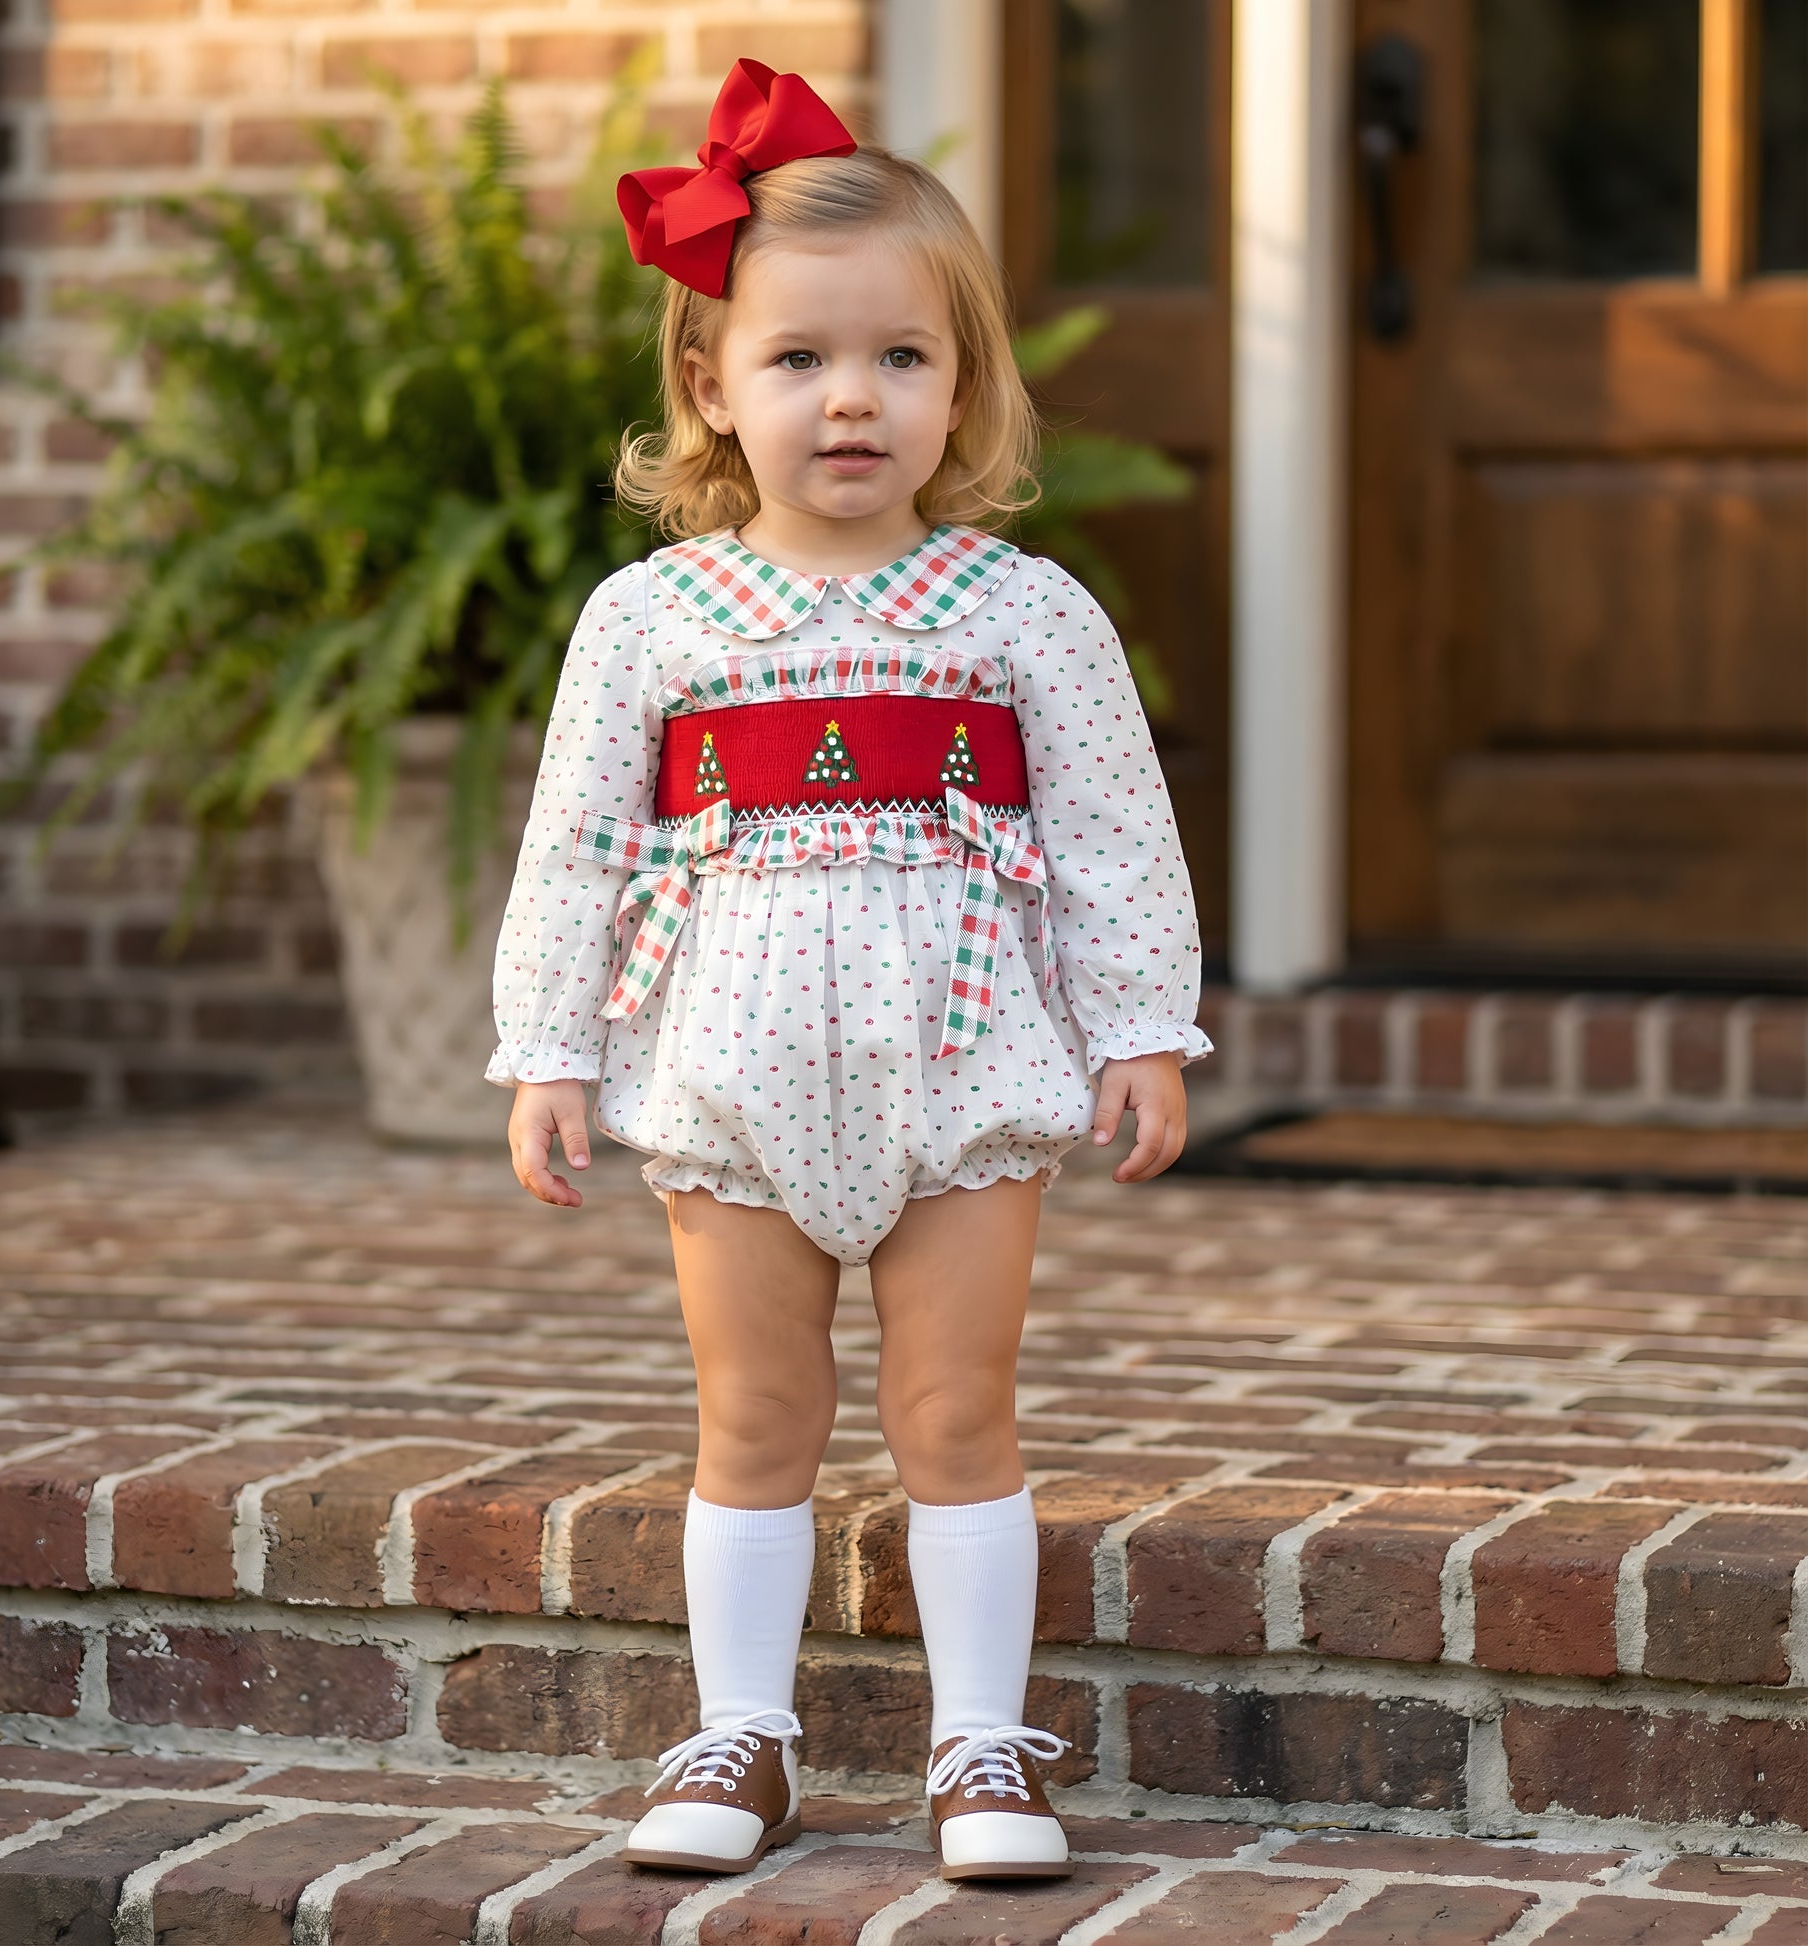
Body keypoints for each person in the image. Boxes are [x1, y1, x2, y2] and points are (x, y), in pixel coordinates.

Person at [490, 59, 1210, 1882]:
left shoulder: (1016, 609)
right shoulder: (652, 620)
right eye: (800, 355)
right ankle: (741, 1733)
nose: (851, 396)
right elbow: (575, 841)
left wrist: (1138, 1027)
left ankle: (982, 1749)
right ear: (709, 381)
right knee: (754, 1411)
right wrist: (546, 1047)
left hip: (963, 1068)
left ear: (960, 384)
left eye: (902, 356)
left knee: (954, 1408)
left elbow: (1116, 828)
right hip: (732, 1071)